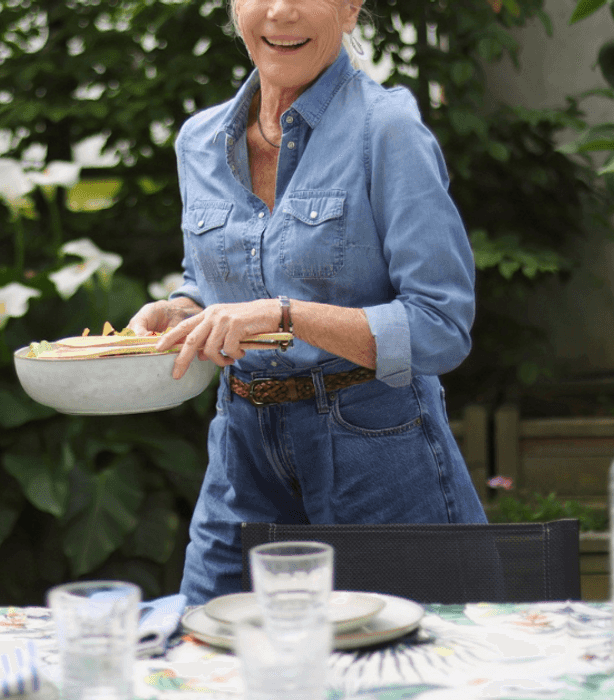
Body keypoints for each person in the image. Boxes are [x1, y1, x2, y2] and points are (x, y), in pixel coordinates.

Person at [128, 0, 486, 605]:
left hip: (376, 444)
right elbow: (210, 282)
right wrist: (184, 310)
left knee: (400, 655)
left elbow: (441, 327)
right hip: (242, 447)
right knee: (204, 642)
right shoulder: (198, 141)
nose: (280, 11)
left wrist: (285, 315)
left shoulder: (387, 130)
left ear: (349, 9)